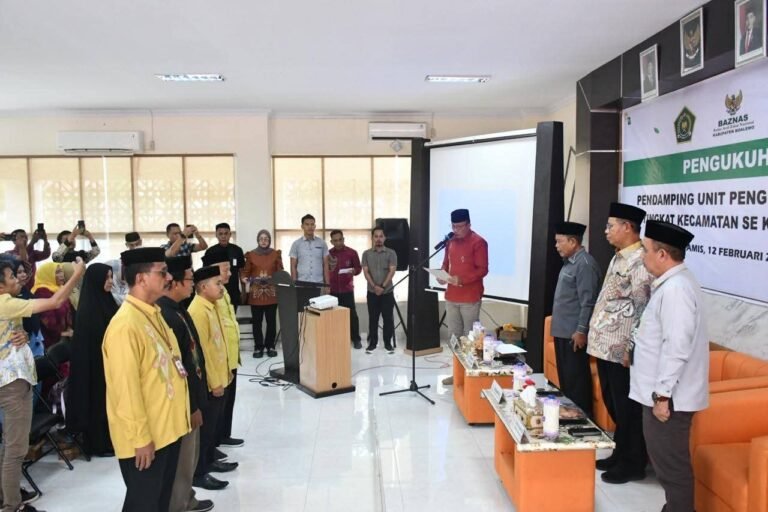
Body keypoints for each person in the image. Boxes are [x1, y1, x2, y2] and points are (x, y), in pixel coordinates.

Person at [102, 247, 190, 512]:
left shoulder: (153, 313)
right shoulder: (125, 326)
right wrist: (140, 439)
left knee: (160, 502)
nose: (169, 278)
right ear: (141, 278)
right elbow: (126, 390)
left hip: (167, 430)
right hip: (146, 439)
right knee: (143, 504)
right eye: (162, 272)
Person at [630, 220, 708, 512]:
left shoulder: (676, 290)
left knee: (672, 469)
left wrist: (662, 395)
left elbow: (677, 347)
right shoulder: (673, 284)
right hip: (662, 395)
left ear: (662, 254)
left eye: (646, 250)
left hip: (669, 399)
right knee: (667, 466)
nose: (642, 256)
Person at [0, 255, 84, 512]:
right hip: (12, 384)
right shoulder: (5, 303)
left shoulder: (8, 304)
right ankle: (12, 505)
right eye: (12, 276)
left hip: (14, 380)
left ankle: (7, 494)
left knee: (10, 444)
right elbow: (55, 301)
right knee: (16, 449)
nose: (19, 279)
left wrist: (22, 335)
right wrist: (77, 274)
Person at [587, 202, 653, 484]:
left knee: (627, 408)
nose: (606, 231)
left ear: (628, 227)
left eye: (610, 226)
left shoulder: (640, 261)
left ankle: (633, 463)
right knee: (614, 403)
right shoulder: (619, 257)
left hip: (621, 349)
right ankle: (620, 452)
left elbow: (643, 309)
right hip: (604, 346)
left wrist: (631, 348)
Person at [158, 256, 214, 512]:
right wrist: (192, 405)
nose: (193, 284)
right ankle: (179, 505)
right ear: (175, 282)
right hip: (183, 402)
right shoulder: (166, 314)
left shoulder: (178, 309)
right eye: (190, 279)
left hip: (193, 395)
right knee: (182, 460)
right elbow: (179, 367)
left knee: (189, 458)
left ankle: (187, 499)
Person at [188, 265, 237, 491]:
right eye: (217, 283)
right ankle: (200, 472)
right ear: (202, 287)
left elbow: (219, 343)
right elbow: (203, 353)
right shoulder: (198, 311)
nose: (221, 287)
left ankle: (210, 461)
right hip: (211, 382)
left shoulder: (213, 306)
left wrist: (226, 371)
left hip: (221, 375)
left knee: (213, 428)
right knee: (206, 431)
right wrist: (215, 382)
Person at [65, 263, 119, 457]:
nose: (110, 281)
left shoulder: (106, 300)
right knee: (97, 404)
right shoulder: (89, 310)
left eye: (111, 277)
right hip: (94, 367)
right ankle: (98, 444)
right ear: (96, 281)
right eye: (106, 278)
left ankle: (110, 440)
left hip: (108, 363)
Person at [551, 222, 602, 416]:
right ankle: (570, 415)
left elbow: (588, 302)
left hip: (573, 334)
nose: (556, 246)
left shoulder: (585, 265)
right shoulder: (570, 262)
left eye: (560, 241)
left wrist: (581, 331)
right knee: (567, 380)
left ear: (573, 242)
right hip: (562, 331)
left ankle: (582, 418)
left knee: (577, 380)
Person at [440, 209, 488, 385]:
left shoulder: (479, 242)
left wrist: (462, 279)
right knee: (453, 337)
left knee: (470, 338)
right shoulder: (450, 241)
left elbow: (483, 270)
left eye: (460, 226)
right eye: (453, 226)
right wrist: (442, 275)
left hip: (470, 297)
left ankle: (471, 376)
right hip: (451, 296)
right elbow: (446, 263)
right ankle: (457, 375)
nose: (456, 230)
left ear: (469, 224)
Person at [202, 248, 244, 449]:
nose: (229, 273)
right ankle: (215, 441)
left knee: (229, 399)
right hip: (219, 358)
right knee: (218, 402)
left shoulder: (223, 291)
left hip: (230, 355)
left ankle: (224, 434)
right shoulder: (209, 296)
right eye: (225, 269)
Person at [242, 229, 283, 358]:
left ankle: (270, 346)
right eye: (261, 239)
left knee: (271, 322)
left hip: (272, 293)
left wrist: (279, 279)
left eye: (266, 239)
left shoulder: (275, 254)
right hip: (256, 293)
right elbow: (246, 272)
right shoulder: (251, 255)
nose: (264, 241)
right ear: (258, 240)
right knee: (257, 322)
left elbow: (280, 272)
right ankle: (258, 347)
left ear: (269, 240)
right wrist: (244, 279)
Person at [361, 227, 397, 354]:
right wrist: (374, 286)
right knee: (373, 318)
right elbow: (366, 272)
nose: (378, 239)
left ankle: (387, 343)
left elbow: (392, 271)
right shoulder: (366, 254)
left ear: (385, 238)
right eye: (376, 236)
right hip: (372, 292)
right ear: (372, 238)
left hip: (387, 292)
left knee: (388, 319)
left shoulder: (391, 253)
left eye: (381, 236)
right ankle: (372, 343)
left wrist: (382, 286)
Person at [328, 229, 362, 349]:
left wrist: (354, 271)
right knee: (334, 317)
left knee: (352, 315)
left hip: (347, 289)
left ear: (343, 239)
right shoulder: (328, 254)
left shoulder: (352, 253)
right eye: (335, 240)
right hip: (332, 290)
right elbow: (325, 269)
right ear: (331, 242)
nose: (338, 242)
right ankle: (337, 339)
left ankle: (356, 339)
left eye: (340, 240)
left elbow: (358, 268)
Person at [31, 262, 74, 350]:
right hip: (50, 343)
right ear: (47, 274)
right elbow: (47, 319)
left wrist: (69, 328)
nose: (61, 275)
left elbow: (68, 311)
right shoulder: (41, 291)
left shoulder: (59, 289)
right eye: (57, 272)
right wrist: (62, 333)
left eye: (62, 272)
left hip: (65, 338)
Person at [204, 223, 245, 308]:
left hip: (233, 291)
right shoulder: (210, 252)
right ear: (216, 235)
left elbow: (241, 271)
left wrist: (244, 291)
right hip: (215, 290)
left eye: (226, 233)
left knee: (232, 314)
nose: (223, 236)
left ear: (230, 234)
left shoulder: (237, 250)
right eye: (220, 234)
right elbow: (206, 275)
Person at [289, 214, 329, 290]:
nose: (310, 227)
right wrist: (294, 285)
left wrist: (327, 285)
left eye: (312, 224)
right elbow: (293, 266)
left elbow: (326, 265)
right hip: (301, 284)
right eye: (307, 224)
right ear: (302, 226)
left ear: (315, 226)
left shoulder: (322, 243)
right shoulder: (296, 244)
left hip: (319, 284)